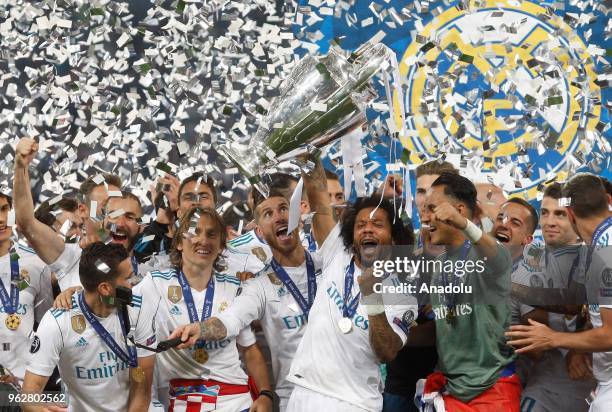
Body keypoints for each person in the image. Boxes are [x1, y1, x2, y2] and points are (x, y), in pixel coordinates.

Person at [168, 183, 327, 410]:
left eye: (284, 209)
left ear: (298, 216)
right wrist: (201, 329)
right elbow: (231, 320)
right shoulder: (259, 285)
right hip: (297, 398)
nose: (279, 217)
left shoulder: (329, 262)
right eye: (268, 213)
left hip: (351, 395)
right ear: (259, 232)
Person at [133, 207, 273, 411]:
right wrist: (75, 292)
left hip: (235, 400)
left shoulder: (234, 287)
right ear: (180, 242)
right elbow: (112, 299)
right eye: (194, 232)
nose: (203, 240)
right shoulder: (154, 284)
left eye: (211, 234)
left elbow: (249, 349)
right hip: (183, 400)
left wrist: (266, 394)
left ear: (221, 246)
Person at [506, 173, 612, 411]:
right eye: (544, 213)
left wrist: (555, 338)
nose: (551, 222)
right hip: (589, 384)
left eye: (561, 213)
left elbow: (610, 333)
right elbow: (576, 305)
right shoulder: (595, 248)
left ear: (572, 215)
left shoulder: (606, 250)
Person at [416, 172, 519, 410]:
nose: (426, 217)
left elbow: (500, 258)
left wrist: (463, 225)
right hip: (451, 391)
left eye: (433, 209)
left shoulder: (487, 254)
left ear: (459, 211)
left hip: (493, 391)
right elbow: (446, 324)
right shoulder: (439, 264)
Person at [22, 243, 155, 412]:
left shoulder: (139, 310)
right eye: (128, 278)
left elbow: (142, 390)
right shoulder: (58, 321)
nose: (134, 283)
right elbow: (28, 394)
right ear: (105, 288)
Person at [13, 137, 147, 290]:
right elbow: (27, 223)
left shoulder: (148, 259)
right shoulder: (70, 256)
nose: (119, 221)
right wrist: (20, 167)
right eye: (108, 207)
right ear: (83, 210)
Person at [383, 160, 457, 412]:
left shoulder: (469, 257)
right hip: (399, 388)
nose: (426, 201)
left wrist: (393, 336)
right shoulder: (400, 250)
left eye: (435, 192)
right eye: (421, 191)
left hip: (451, 391)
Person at [0, 193, 52, 386]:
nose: (1, 218)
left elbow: (46, 326)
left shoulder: (36, 263)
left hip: (27, 387)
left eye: (4, 209)